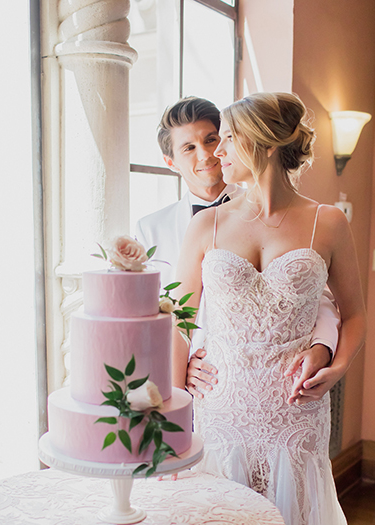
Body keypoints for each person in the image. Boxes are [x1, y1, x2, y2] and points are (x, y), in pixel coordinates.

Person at [172, 91, 375, 525]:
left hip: (295, 417)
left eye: (226, 140)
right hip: (224, 413)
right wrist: (183, 363)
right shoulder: (207, 224)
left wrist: (338, 366)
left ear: (260, 143)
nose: (217, 153)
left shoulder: (328, 223)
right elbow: (180, 318)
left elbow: (354, 313)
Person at [136, 96, 340, 404]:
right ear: (171, 162)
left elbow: (314, 293)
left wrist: (323, 348)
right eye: (189, 148)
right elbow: (156, 315)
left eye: (212, 139)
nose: (207, 154)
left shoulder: (284, 211)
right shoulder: (150, 229)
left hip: (283, 384)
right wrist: (179, 369)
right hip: (194, 383)